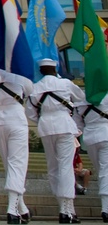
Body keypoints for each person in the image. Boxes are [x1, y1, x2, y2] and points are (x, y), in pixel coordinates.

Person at [27, 58, 86, 223]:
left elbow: (30, 112)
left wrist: (42, 120)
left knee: (53, 167)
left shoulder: (36, 87)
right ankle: (67, 210)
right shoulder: (65, 83)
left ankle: (63, 206)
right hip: (64, 125)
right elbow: (81, 97)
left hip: (46, 126)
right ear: (55, 69)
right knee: (65, 166)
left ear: (41, 70)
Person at [0, 65, 34, 223]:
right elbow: (30, 90)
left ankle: (21, 207)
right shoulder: (18, 74)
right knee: (18, 164)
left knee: (10, 165)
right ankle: (12, 209)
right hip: (15, 118)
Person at [80, 89, 108, 222]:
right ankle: (106, 208)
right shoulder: (106, 95)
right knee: (105, 171)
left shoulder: (81, 99)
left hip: (90, 137)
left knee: (101, 170)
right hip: (106, 134)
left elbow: (78, 123)